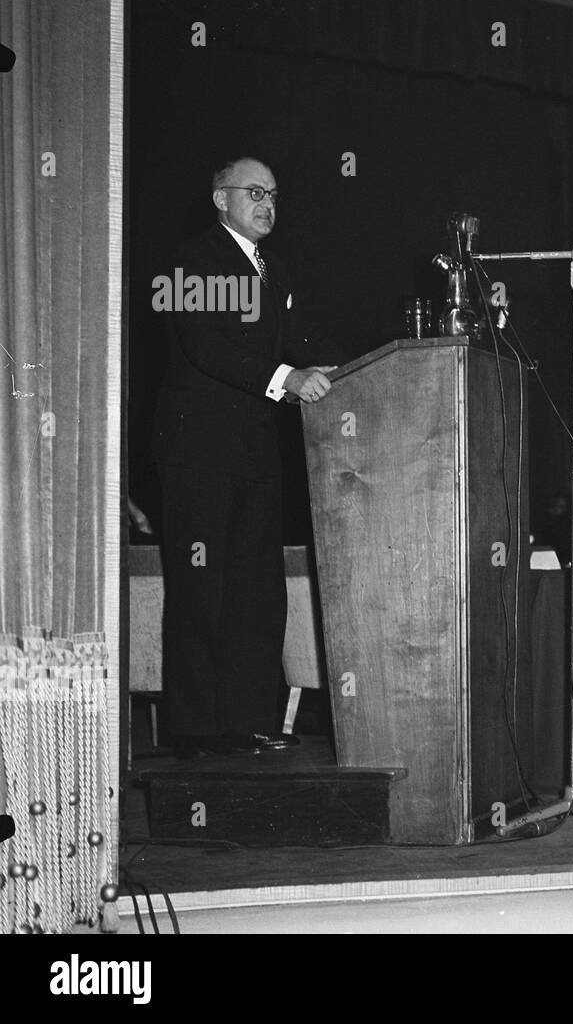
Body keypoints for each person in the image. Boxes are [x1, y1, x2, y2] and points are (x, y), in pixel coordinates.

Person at [152, 156, 343, 756]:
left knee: (257, 590)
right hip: (200, 454)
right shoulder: (193, 261)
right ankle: (197, 729)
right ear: (220, 198)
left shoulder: (273, 270)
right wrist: (288, 376)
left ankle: (249, 719)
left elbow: (294, 345)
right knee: (204, 588)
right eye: (255, 192)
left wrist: (338, 370)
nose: (268, 204)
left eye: (275, 195)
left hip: (258, 455)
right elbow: (207, 348)